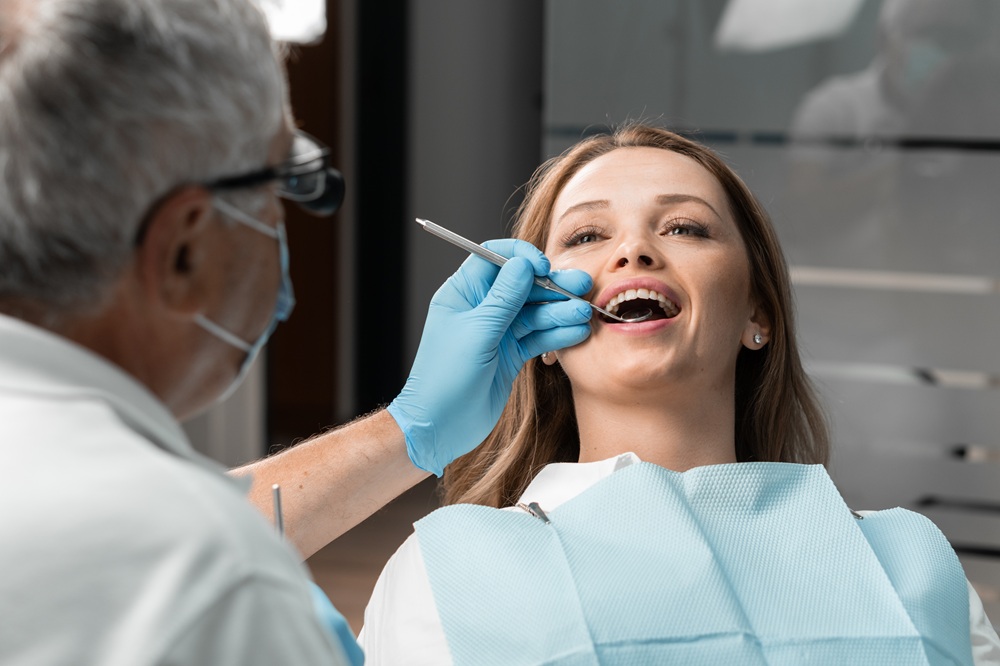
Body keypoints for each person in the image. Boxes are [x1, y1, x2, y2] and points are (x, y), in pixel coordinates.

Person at [0, 0, 594, 664]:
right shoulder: (210, 581)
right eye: (279, 191)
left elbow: (109, 532)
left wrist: (407, 431)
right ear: (184, 250)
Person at [359, 123, 1000, 665]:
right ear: (536, 329)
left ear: (759, 313)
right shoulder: (450, 568)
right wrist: (404, 432)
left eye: (686, 228)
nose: (634, 250)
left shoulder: (909, 564)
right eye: (587, 236)